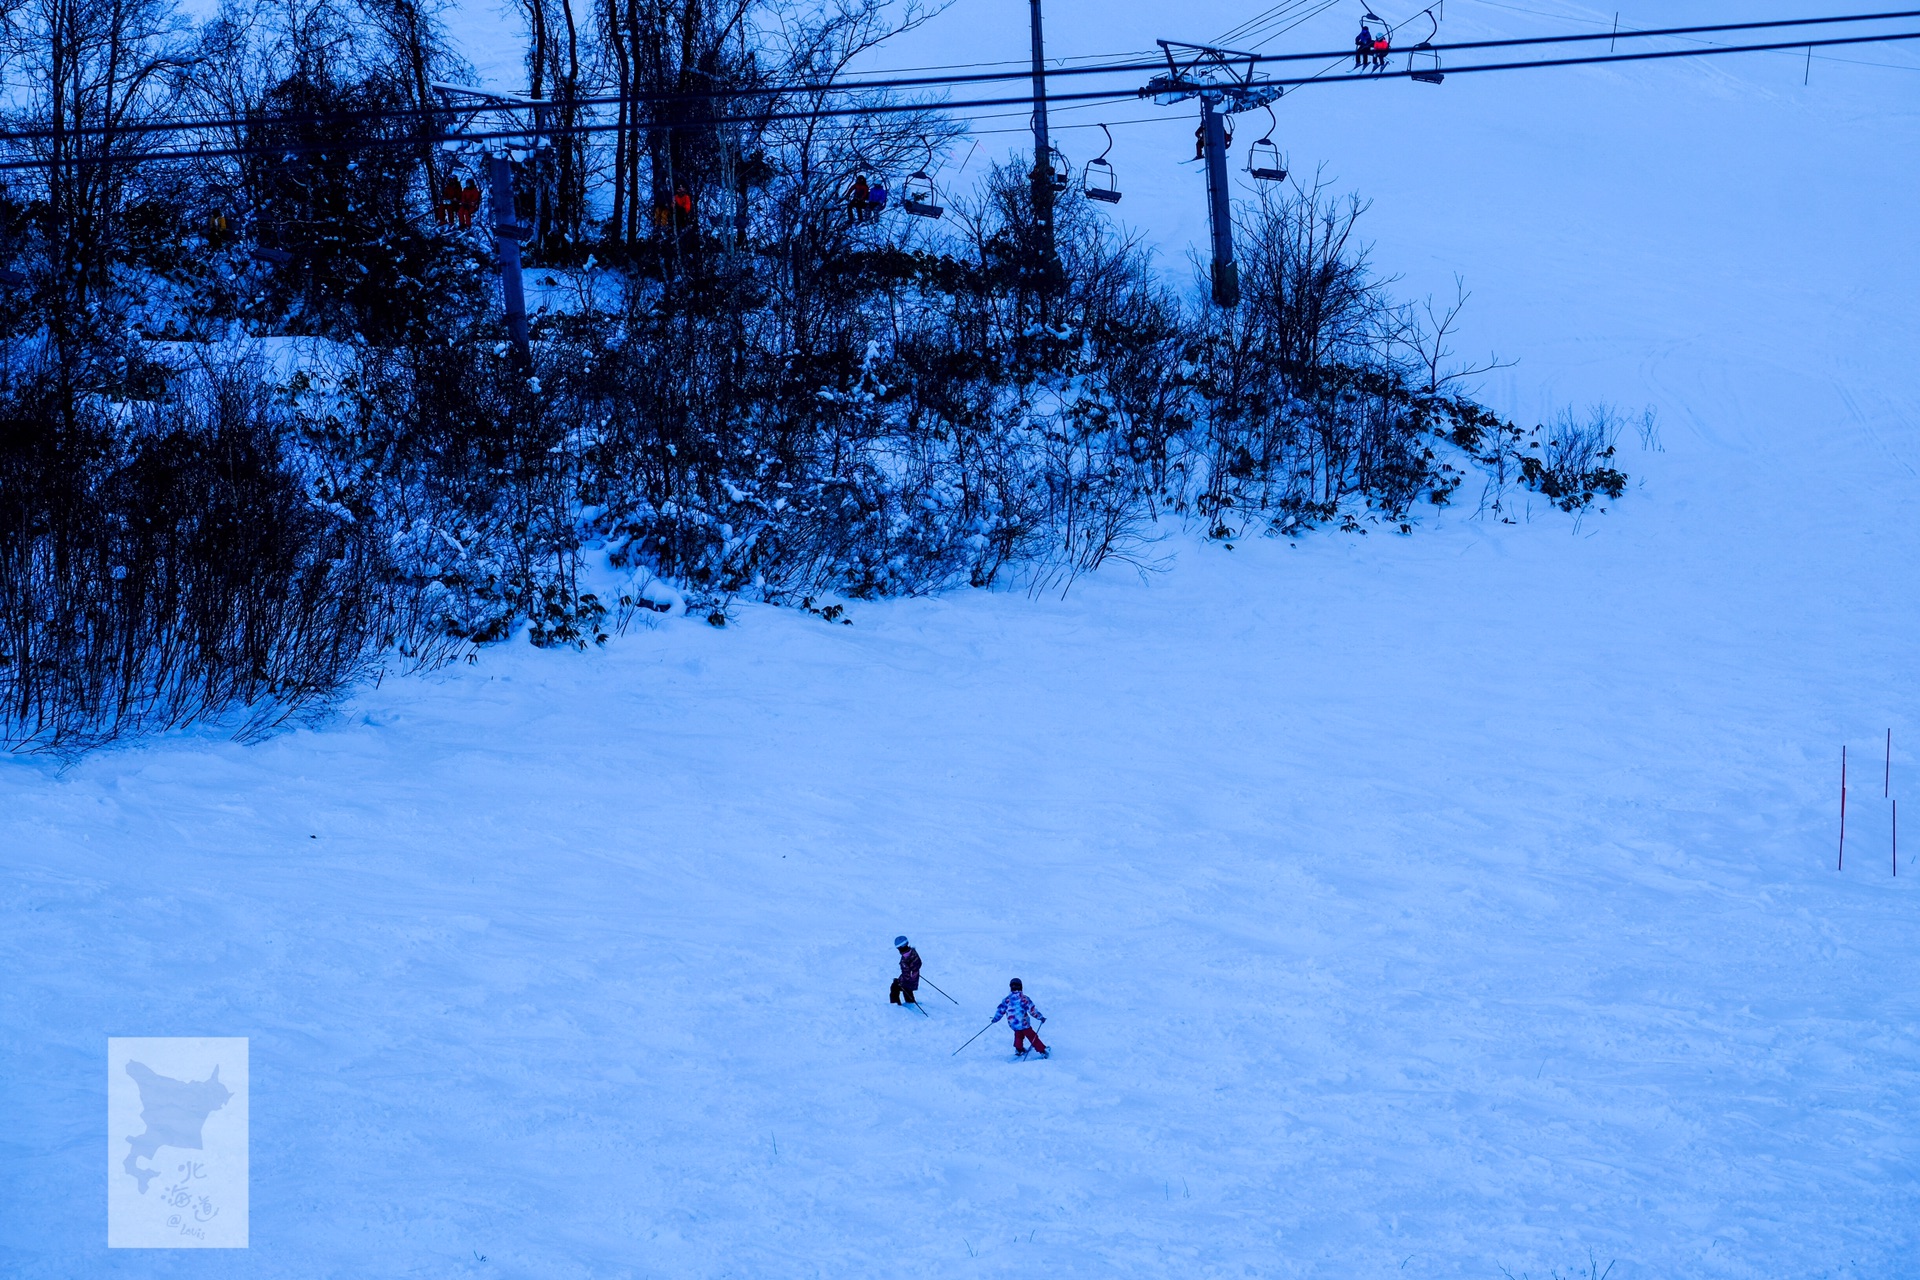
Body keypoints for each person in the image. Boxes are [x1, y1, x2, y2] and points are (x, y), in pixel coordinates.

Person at [991, 978, 1047, 1058]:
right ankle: (1042, 1050)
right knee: (1032, 1036)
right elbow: (1032, 1010)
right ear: (1021, 987)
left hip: (1014, 1024)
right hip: (1024, 1024)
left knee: (1018, 1035)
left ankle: (1019, 1049)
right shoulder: (1024, 999)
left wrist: (995, 1019)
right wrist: (1040, 1017)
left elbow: (1000, 1010)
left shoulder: (1007, 1000)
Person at [890, 936, 921, 1005]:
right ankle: (910, 1002)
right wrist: (914, 971)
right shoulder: (913, 952)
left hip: (909, 981)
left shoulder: (905, 959)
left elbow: (906, 976)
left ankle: (895, 1006)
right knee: (907, 990)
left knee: (894, 987)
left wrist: (898, 981)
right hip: (914, 978)